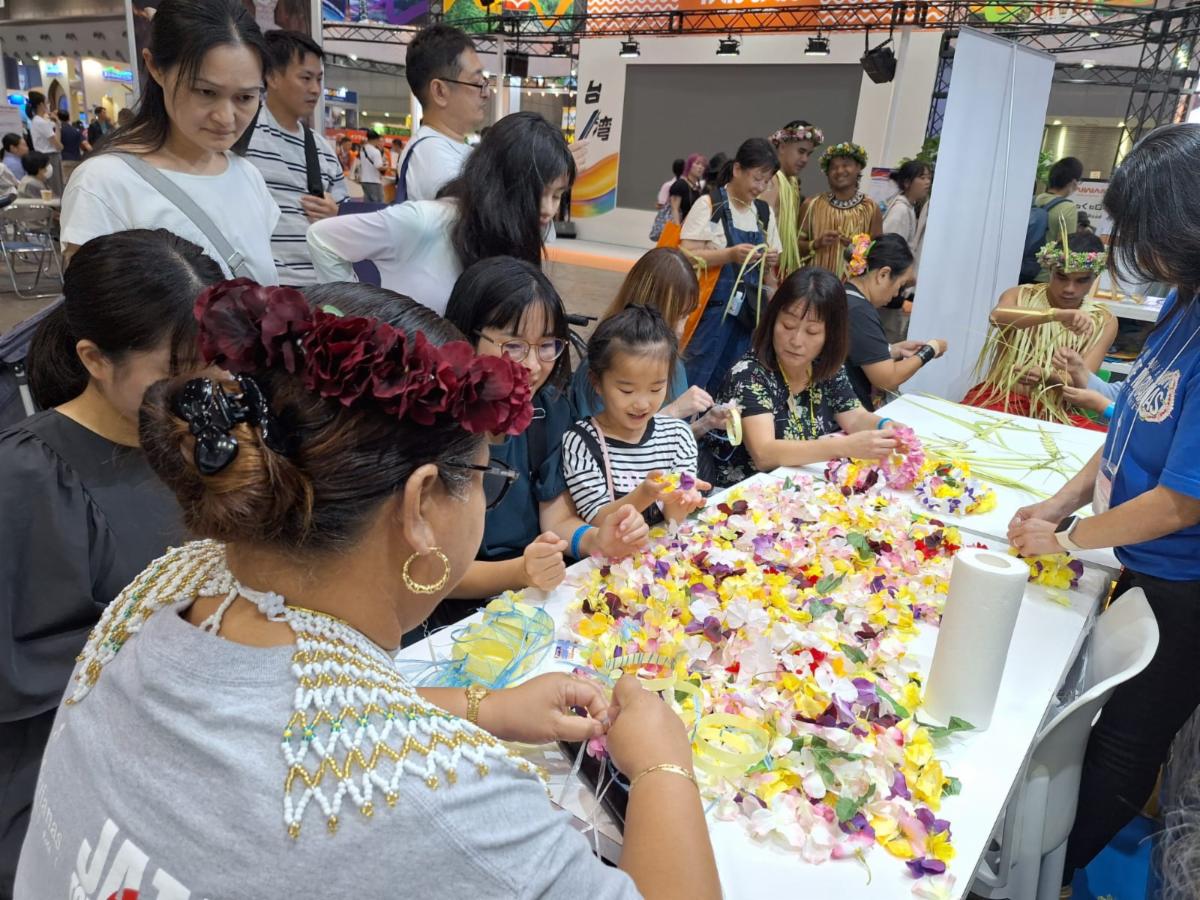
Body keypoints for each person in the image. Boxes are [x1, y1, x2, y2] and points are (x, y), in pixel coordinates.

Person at [13, 278, 722, 900]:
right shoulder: (445, 794)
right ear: (420, 505)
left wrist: (486, 707)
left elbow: (272, 716)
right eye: (485, 478)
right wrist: (663, 764)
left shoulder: (167, 588)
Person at [1005, 124, 1200, 899]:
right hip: (1138, 563)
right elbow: (1130, 427)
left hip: (1182, 587)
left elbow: (1179, 502)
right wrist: (1056, 506)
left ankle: (1054, 876)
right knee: (1095, 725)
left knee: (1125, 745)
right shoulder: (1184, 302)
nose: (1134, 252)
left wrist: (1071, 539)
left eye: (1142, 233)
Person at [0, 230, 223, 896]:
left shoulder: (202, 441)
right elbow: (25, 679)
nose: (203, 390)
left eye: (214, 364)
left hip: (197, 739)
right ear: (95, 359)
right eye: (177, 372)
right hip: (76, 778)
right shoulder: (29, 478)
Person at [439, 257, 649, 612]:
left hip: (535, 586)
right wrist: (519, 571)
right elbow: (427, 573)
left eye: (547, 345)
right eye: (514, 345)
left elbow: (556, 518)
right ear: (466, 337)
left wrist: (597, 539)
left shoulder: (548, 409)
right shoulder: (436, 423)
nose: (533, 366)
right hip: (457, 608)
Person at [60, 0, 281, 285]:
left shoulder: (248, 176)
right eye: (206, 92)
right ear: (155, 67)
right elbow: (91, 305)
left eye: (245, 97)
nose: (226, 118)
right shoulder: (103, 184)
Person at [309, 111, 573, 315]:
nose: (548, 209)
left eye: (557, 195)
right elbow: (323, 240)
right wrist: (356, 324)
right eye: (536, 193)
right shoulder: (424, 221)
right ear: (501, 184)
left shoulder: (513, 234)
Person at [701, 267, 901, 488]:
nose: (796, 340)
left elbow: (854, 417)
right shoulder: (749, 374)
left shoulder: (823, 366)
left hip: (799, 486)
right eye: (788, 326)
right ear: (772, 320)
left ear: (831, 335)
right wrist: (844, 446)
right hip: (747, 493)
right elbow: (764, 453)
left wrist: (885, 426)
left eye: (812, 332)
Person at [564, 306, 707, 528]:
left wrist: (682, 500)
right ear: (596, 382)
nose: (642, 404)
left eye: (655, 389)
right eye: (627, 391)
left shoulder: (678, 436)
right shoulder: (581, 442)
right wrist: (645, 494)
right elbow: (597, 520)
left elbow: (673, 520)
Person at [964, 230, 1117, 427]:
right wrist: (1055, 314)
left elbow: (1083, 380)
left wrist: (1046, 375)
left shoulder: (1103, 320)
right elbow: (997, 317)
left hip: (1057, 412)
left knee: (1102, 442)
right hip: (1002, 399)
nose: (1069, 288)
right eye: (1061, 277)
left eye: (1081, 280)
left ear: (1095, 277)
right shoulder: (1021, 295)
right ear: (1050, 269)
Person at [570, 247, 728, 437]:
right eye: (675, 316)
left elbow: (665, 441)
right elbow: (602, 443)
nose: (680, 329)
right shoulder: (604, 362)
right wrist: (674, 410)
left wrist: (705, 423)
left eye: (686, 316)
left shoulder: (673, 363)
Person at [244, 30, 348, 286]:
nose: (315, 89)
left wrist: (336, 215)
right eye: (305, 78)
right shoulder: (243, 138)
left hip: (322, 289)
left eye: (319, 79)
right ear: (271, 76)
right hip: (262, 289)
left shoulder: (322, 150)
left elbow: (348, 223)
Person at [680, 138, 782, 396]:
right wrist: (729, 255)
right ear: (737, 169)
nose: (760, 187)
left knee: (731, 381)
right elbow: (686, 255)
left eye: (766, 181)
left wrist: (769, 262)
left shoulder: (763, 213)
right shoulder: (710, 205)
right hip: (710, 313)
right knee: (693, 376)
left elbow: (769, 275)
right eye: (756, 178)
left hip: (747, 316)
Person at [843, 233, 947, 410]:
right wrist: (930, 350)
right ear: (883, 274)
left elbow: (855, 353)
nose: (897, 294)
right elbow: (887, 379)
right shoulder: (860, 311)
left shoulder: (846, 295)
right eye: (900, 286)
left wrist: (892, 350)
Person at [397, 24, 486, 202]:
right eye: (477, 83)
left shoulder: (446, 148)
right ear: (439, 91)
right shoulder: (433, 157)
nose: (486, 93)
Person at [797, 141, 883, 277]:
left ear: (858, 167)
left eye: (846, 165)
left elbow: (879, 255)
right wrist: (816, 243)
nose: (839, 171)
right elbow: (794, 247)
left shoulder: (871, 209)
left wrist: (855, 249)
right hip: (816, 284)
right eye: (833, 167)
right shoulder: (811, 205)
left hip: (852, 286)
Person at [878, 159, 933, 343]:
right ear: (907, 182)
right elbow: (888, 252)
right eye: (922, 177)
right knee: (888, 338)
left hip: (895, 289)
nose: (927, 182)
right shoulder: (900, 211)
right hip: (889, 292)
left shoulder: (909, 207)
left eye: (929, 177)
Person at [762, 120, 824, 279]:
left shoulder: (791, 184)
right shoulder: (771, 181)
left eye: (809, 154)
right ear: (782, 146)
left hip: (781, 270)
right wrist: (770, 280)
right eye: (801, 151)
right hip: (767, 271)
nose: (805, 159)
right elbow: (761, 233)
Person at [1032, 156, 1083, 283]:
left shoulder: (1034, 200)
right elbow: (1065, 248)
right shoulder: (1068, 208)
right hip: (1043, 276)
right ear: (1073, 182)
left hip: (1020, 268)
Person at [27, 94, 63, 196]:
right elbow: (58, 146)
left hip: (45, 157)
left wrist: (56, 122)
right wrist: (57, 125)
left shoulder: (36, 121)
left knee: (51, 187)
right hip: (50, 157)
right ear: (41, 104)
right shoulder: (41, 122)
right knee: (55, 188)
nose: (48, 105)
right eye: (46, 102)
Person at [667, 153, 705, 226]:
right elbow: (674, 209)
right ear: (689, 165)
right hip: (679, 228)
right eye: (697, 163)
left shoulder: (697, 188)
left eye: (703, 165)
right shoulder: (680, 184)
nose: (700, 167)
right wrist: (678, 229)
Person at [56, 110, 89, 183]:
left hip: (65, 159)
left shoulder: (58, 131)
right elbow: (86, 145)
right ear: (69, 118)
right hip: (77, 159)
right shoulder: (75, 130)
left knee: (67, 183)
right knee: (76, 181)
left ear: (58, 118)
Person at [357, 129, 385, 202]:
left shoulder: (363, 149)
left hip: (364, 180)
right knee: (377, 204)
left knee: (368, 203)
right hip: (374, 181)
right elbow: (379, 167)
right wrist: (388, 168)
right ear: (376, 139)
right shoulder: (375, 151)